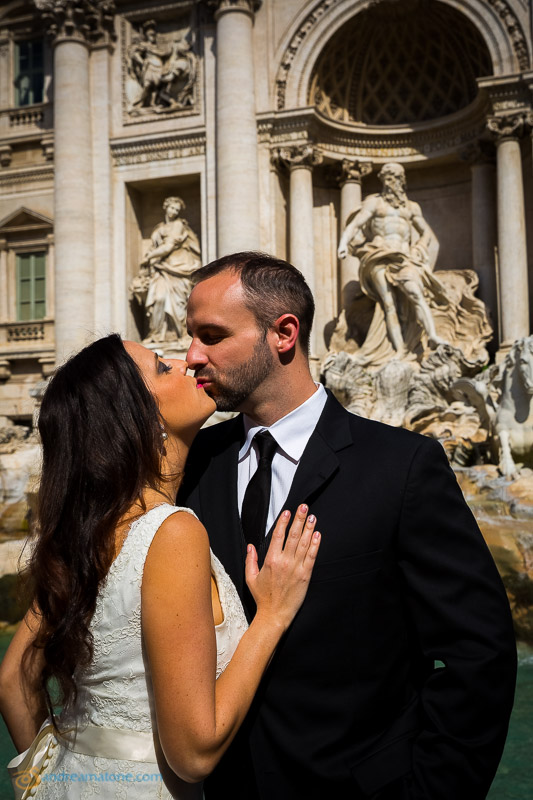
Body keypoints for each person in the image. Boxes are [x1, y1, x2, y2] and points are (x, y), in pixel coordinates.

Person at [179, 251, 517, 800]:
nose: (192, 356)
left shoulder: (403, 466)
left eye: (211, 335)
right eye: (191, 335)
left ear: (283, 333)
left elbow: (478, 653)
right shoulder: (193, 463)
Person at [0, 333, 321, 799]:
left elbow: (14, 678)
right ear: (139, 418)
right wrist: (270, 618)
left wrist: (51, 783)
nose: (186, 361)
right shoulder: (172, 533)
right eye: (162, 368)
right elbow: (193, 755)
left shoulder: (84, 529)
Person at [338, 162, 446, 355]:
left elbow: (427, 234)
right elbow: (355, 224)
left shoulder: (412, 208)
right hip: (378, 256)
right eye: (387, 178)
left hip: (404, 257)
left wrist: (419, 249)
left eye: (395, 178)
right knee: (388, 302)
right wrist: (343, 243)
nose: (391, 182)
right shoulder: (374, 203)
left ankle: (432, 336)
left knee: (415, 293)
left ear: (402, 181)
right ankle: (399, 351)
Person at [130, 196, 201, 344]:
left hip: (178, 268)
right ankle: (156, 335)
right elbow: (155, 247)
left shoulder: (178, 226)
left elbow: (168, 247)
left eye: (177, 209)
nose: (174, 211)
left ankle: (181, 335)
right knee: (159, 299)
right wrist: (150, 260)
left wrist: (148, 257)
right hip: (160, 270)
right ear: (166, 207)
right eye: (172, 208)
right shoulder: (159, 228)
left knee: (178, 304)